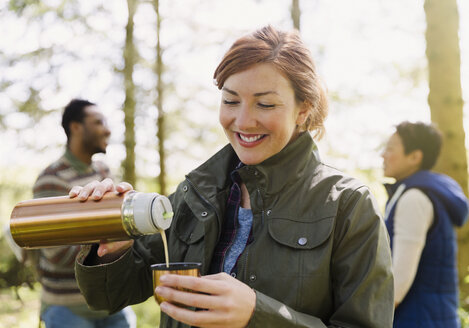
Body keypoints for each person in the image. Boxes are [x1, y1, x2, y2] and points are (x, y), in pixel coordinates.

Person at [71, 26, 394, 327]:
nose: (243, 120)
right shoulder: (196, 191)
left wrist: (258, 315)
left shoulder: (348, 205)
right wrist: (115, 249)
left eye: (265, 104)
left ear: (303, 109)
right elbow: (112, 295)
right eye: (230, 101)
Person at [32, 99, 136, 328]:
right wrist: (110, 244)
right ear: (76, 127)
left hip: (111, 301)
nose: (107, 129)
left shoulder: (103, 171)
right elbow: (56, 253)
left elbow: (118, 227)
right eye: (98, 122)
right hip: (67, 309)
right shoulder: (52, 178)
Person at [382, 121, 469, 327]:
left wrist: (370, 315)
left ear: (415, 157)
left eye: (390, 149)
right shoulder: (425, 193)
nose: (383, 155)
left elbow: (400, 279)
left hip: (418, 319)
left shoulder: (414, 198)